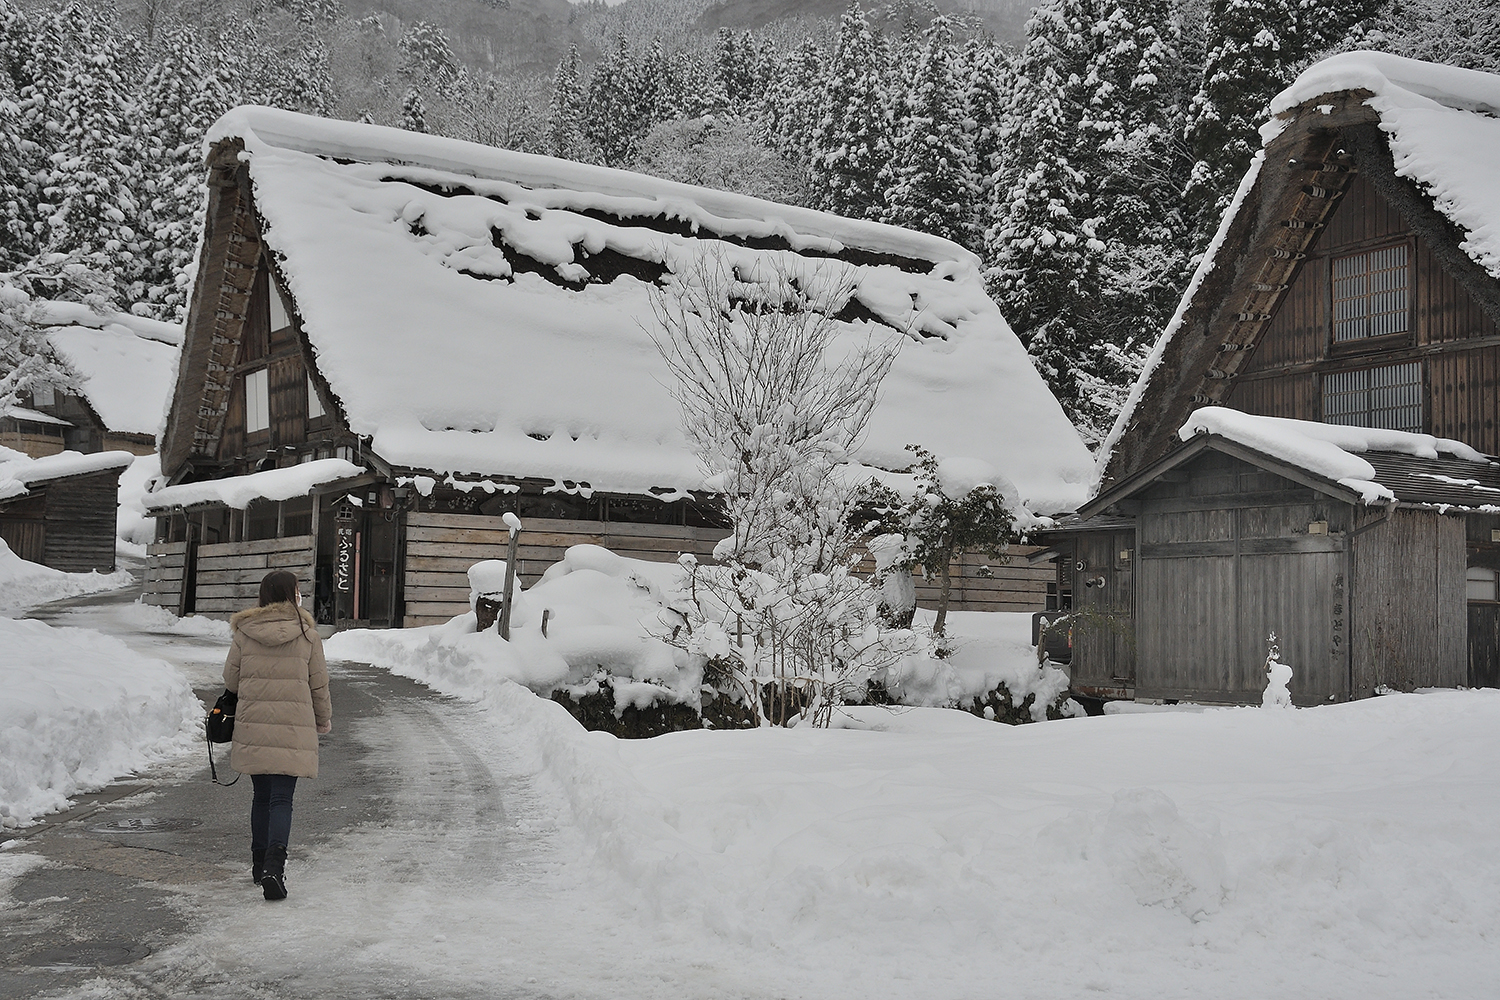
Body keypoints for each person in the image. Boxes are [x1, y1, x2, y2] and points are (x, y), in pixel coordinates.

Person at [223, 569, 333, 901]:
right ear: (291, 594)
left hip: (254, 725)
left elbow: (230, 679)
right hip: (292, 727)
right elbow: (319, 684)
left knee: (261, 798)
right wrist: (323, 719)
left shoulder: (244, 632)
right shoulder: (307, 635)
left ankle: (259, 866)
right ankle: (275, 866)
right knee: (282, 800)